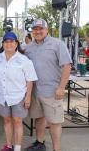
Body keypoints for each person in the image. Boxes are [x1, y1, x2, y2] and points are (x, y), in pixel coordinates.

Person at [24, 19, 72, 151]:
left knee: (54, 122)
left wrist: (61, 87)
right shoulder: (28, 47)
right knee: (39, 118)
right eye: (35, 29)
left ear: (47, 30)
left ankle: (56, 149)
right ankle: (40, 143)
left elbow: (67, 66)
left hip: (52, 91)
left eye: (41, 28)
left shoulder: (57, 44)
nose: (38, 31)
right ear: (32, 31)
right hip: (35, 91)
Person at [0, 32, 37, 151]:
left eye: (11, 41)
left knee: (17, 121)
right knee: (7, 120)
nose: (9, 44)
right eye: (6, 42)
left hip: (18, 96)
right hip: (2, 96)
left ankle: (17, 148)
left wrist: (28, 97)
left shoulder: (24, 60)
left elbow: (30, 80)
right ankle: (8, 145)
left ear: (16, 44)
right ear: (2, 44)